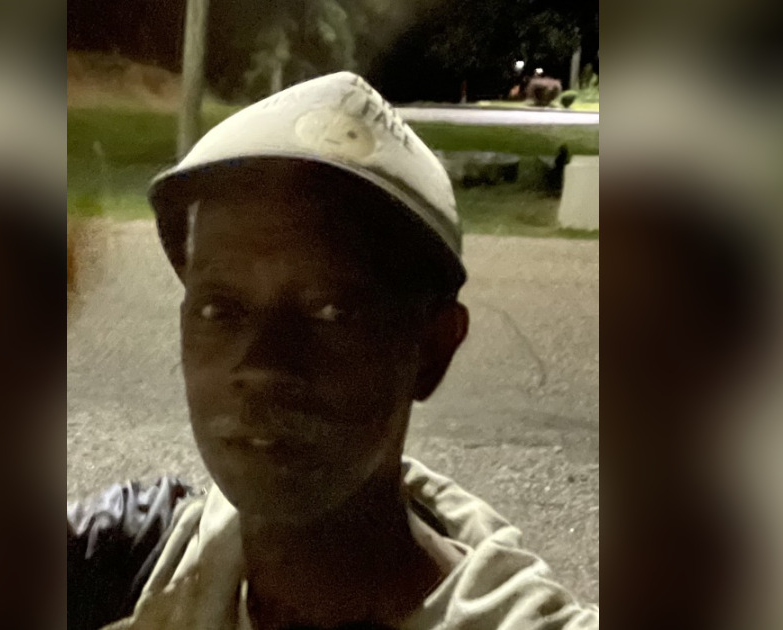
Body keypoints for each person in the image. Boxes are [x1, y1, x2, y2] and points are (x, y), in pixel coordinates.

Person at [68, 72, 599, 630]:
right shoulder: (132, 564)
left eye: (331, 312)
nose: (260, 366)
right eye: (219, 310)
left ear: (433, 349)